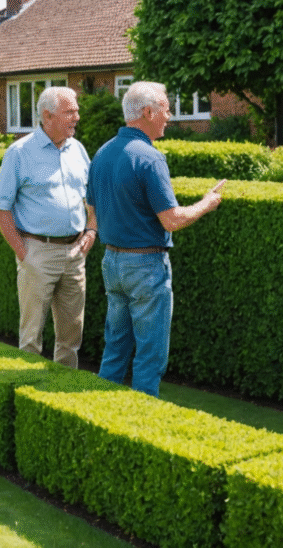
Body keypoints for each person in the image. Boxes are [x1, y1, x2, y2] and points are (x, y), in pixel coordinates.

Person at [87, 81, 225, 397]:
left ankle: (99, 419)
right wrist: (207, 202)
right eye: (165, 107)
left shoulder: (102, 153)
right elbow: (172, 220)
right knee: (150, 357)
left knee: (115, 350)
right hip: (146, 265)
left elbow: (91, 211)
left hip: (112, 262)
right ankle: (142, 430)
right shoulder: (149, 158)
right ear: (148, 112)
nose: (169, 114)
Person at [0, 86, 97, 369]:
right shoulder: (19, 153)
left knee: (71, 335)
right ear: (47, 116)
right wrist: (23, 252)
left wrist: (91, 229)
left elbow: (93, 195)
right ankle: (29, 395)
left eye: (76, 111)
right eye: (70, 112)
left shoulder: (78, 149)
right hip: (37, 252)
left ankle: (61, 397)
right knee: (31, 337)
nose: (77, 117)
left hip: (75, 254)